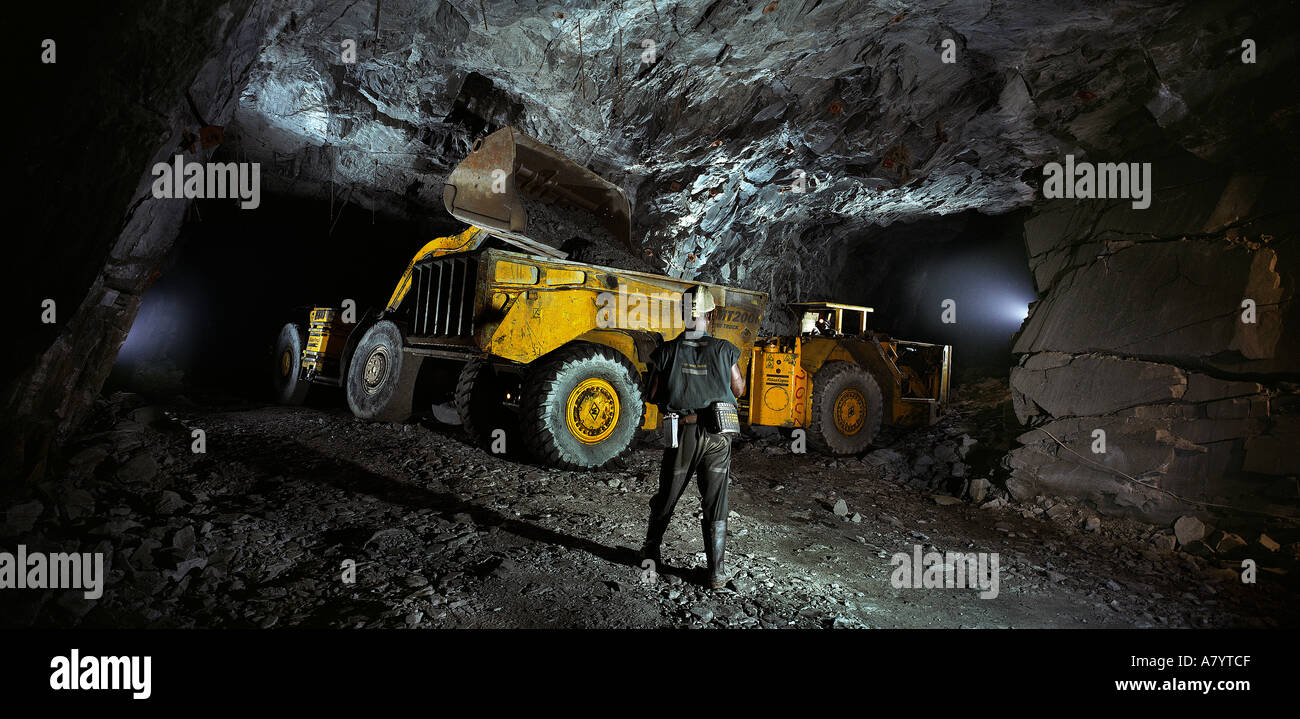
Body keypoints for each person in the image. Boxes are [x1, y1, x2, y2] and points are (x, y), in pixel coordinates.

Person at [640, 286, 747, 589]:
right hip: (717, 434)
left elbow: (651, 394)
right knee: (716, 499)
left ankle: (650, 553)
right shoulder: (725, 350)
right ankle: (717, 571)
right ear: (711, 315)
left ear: (684, 314)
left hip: (682, 431)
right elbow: (738, 389)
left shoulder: (667, 351)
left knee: (668, 494)